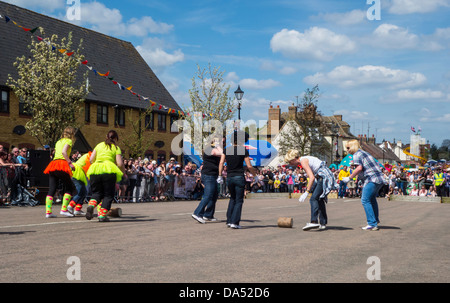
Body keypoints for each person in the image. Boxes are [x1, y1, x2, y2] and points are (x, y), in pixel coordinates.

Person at [284, 150, 337, 231]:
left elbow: (311, 177)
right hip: (323, 175)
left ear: (294, 159)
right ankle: (323, 222)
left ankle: (314, 221)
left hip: (323, 176)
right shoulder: (304, 159)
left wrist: (307, 192)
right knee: (319, 199)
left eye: (290, 162)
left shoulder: (303, 161)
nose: (290, 164)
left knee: (313, 198)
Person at [342, 139, 385, 231]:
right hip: (379, 179)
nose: (347, 150)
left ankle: (372, 223)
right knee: (372, 199)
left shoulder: (357, 154)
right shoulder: (363, 153)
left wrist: (349, 177)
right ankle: (375, 220)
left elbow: (359, 168)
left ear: (353, 146)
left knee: (365, 200)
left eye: (348, 147)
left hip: (371, 179)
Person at [218, 131, 257, 229]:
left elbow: (221, 163)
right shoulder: (243, 150)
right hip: (239, 176)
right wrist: (255, 176)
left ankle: (229, 220)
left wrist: (219, 175)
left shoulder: (226, 150)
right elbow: (249, 165)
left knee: (232, 198)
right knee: (239, 200)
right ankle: (235, 222)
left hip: (230, 177)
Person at [85, 130, 125, 222]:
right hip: (109, 170)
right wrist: (123, 172)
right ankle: (102, 216)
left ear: (106, 136)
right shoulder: (116, 147)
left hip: (95, 170)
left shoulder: (99, 145)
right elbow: (119, 163)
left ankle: (91, 206)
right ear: (115, 138)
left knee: (96, 193)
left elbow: (91, 159)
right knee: (108, 194)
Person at [43, 127, 77, 218]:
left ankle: (48, 212)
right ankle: (64, 209)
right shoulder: (68, 141)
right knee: (69, 188)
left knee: (52, 188)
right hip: (62, 164)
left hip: (53, 164)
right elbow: (64, 152)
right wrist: (70, 163)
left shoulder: (58, 141)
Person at [192, 137, 223, 224]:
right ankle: (197, 213)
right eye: (220, 140)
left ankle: (208, 215)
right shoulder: (210, 149)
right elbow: (221, 153)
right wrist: (218, 145)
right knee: (208, 195)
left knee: (214, 195)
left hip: (214, 175)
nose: (222, 141)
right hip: (208, 175)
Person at [67, 151, 92, 216]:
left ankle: (78, 209)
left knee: (83, 191)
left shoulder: (90, 155)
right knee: (80, 191)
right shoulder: (91, 156)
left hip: (79, 172)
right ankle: (70, 205)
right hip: (78, 172)